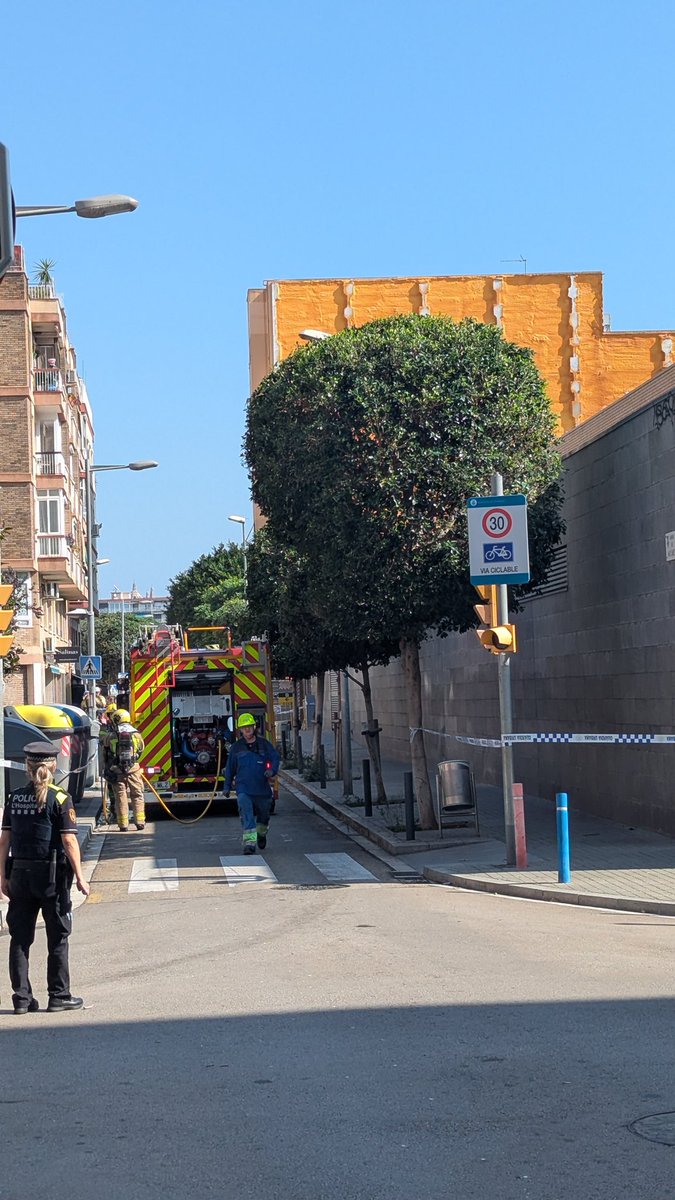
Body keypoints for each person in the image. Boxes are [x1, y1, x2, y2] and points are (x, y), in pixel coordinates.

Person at [0, 741, 89, 1014]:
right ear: (52, 765)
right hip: (51, 876)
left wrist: (2, 876)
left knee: (20, 938)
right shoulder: (60, 798)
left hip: (20, 876)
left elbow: (4, 841)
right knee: (58, 937)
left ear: (27, 766)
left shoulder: (14, 798)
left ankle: (22, 999)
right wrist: (80, 877)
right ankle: (59, 995)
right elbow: (69, 842)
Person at [224, 713, 280, 854]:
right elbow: (230, 768)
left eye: (249, 726)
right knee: (247, 815)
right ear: (240, 730)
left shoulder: (263, 745)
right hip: (244, 789)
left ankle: (261, 834)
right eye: (244, 728)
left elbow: (275, 758)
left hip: (262, 789)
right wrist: (227, 786)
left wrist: (272, 771)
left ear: (254, 727)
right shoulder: (236, 748)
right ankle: (249, 844)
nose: (247, 730)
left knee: (263, 816)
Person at [102, 709, 146, 832]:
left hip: (117, 771)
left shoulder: (110, 736)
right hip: (134, 770)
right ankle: (140, 822)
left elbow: (105, 753)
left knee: (120, 796)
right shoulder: (136, 734)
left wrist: (108, 767)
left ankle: (123, 824)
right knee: (137, 795)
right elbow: (141, 750)